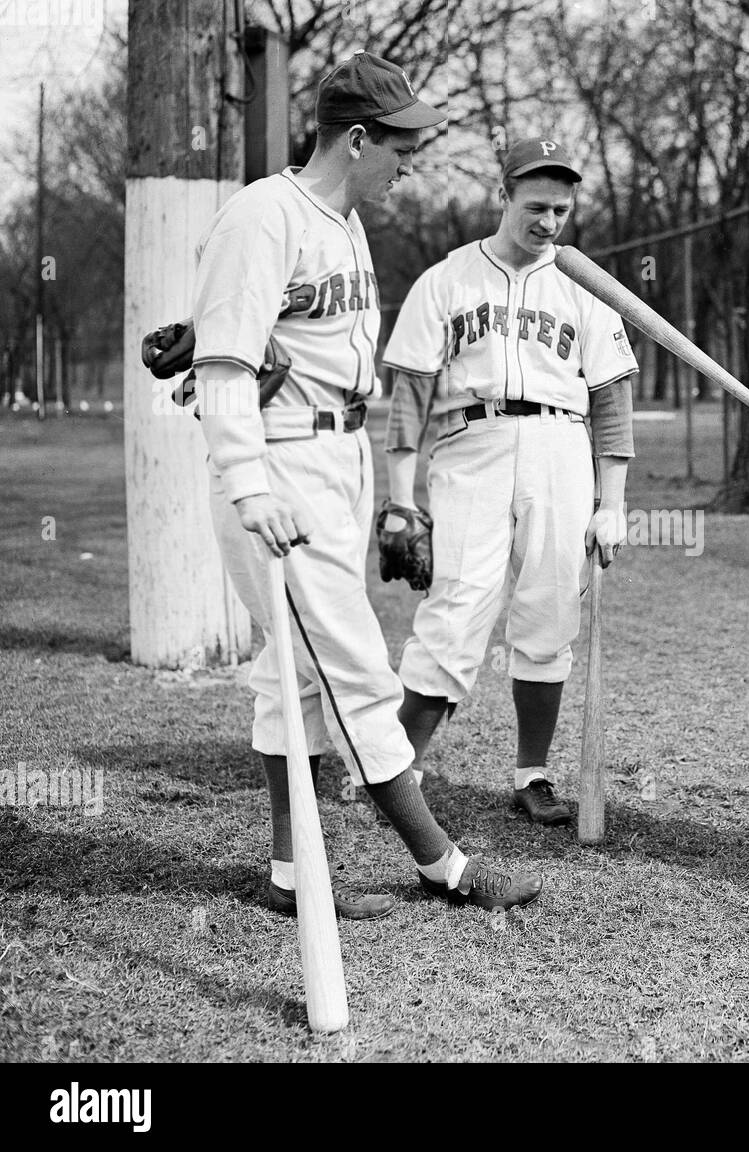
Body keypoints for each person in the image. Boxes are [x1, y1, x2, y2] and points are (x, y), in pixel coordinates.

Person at [191, 52, 542, 916]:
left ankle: (288, 872)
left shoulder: (343, 222)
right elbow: (225, 367)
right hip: (279, 467)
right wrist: (249, 485)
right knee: (353, 669)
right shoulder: (262, 217)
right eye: (400, 145)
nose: (411, 162)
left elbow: (284, 340)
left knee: (294, 674)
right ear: (355, 138)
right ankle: (442, 864)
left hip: (335, 456)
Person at [379, 138, 637, 825]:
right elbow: (408, 393)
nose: (548, 221)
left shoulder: (586, 285)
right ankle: (398, 772)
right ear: (503, 197)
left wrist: (612, 505)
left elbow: (611, 401)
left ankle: (533, 776)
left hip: (560, 444)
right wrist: (400, 497)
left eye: (560, 208)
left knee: (550, 613)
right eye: (534, 205)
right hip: (473, 439)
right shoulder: (448, 278)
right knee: (455, 608)